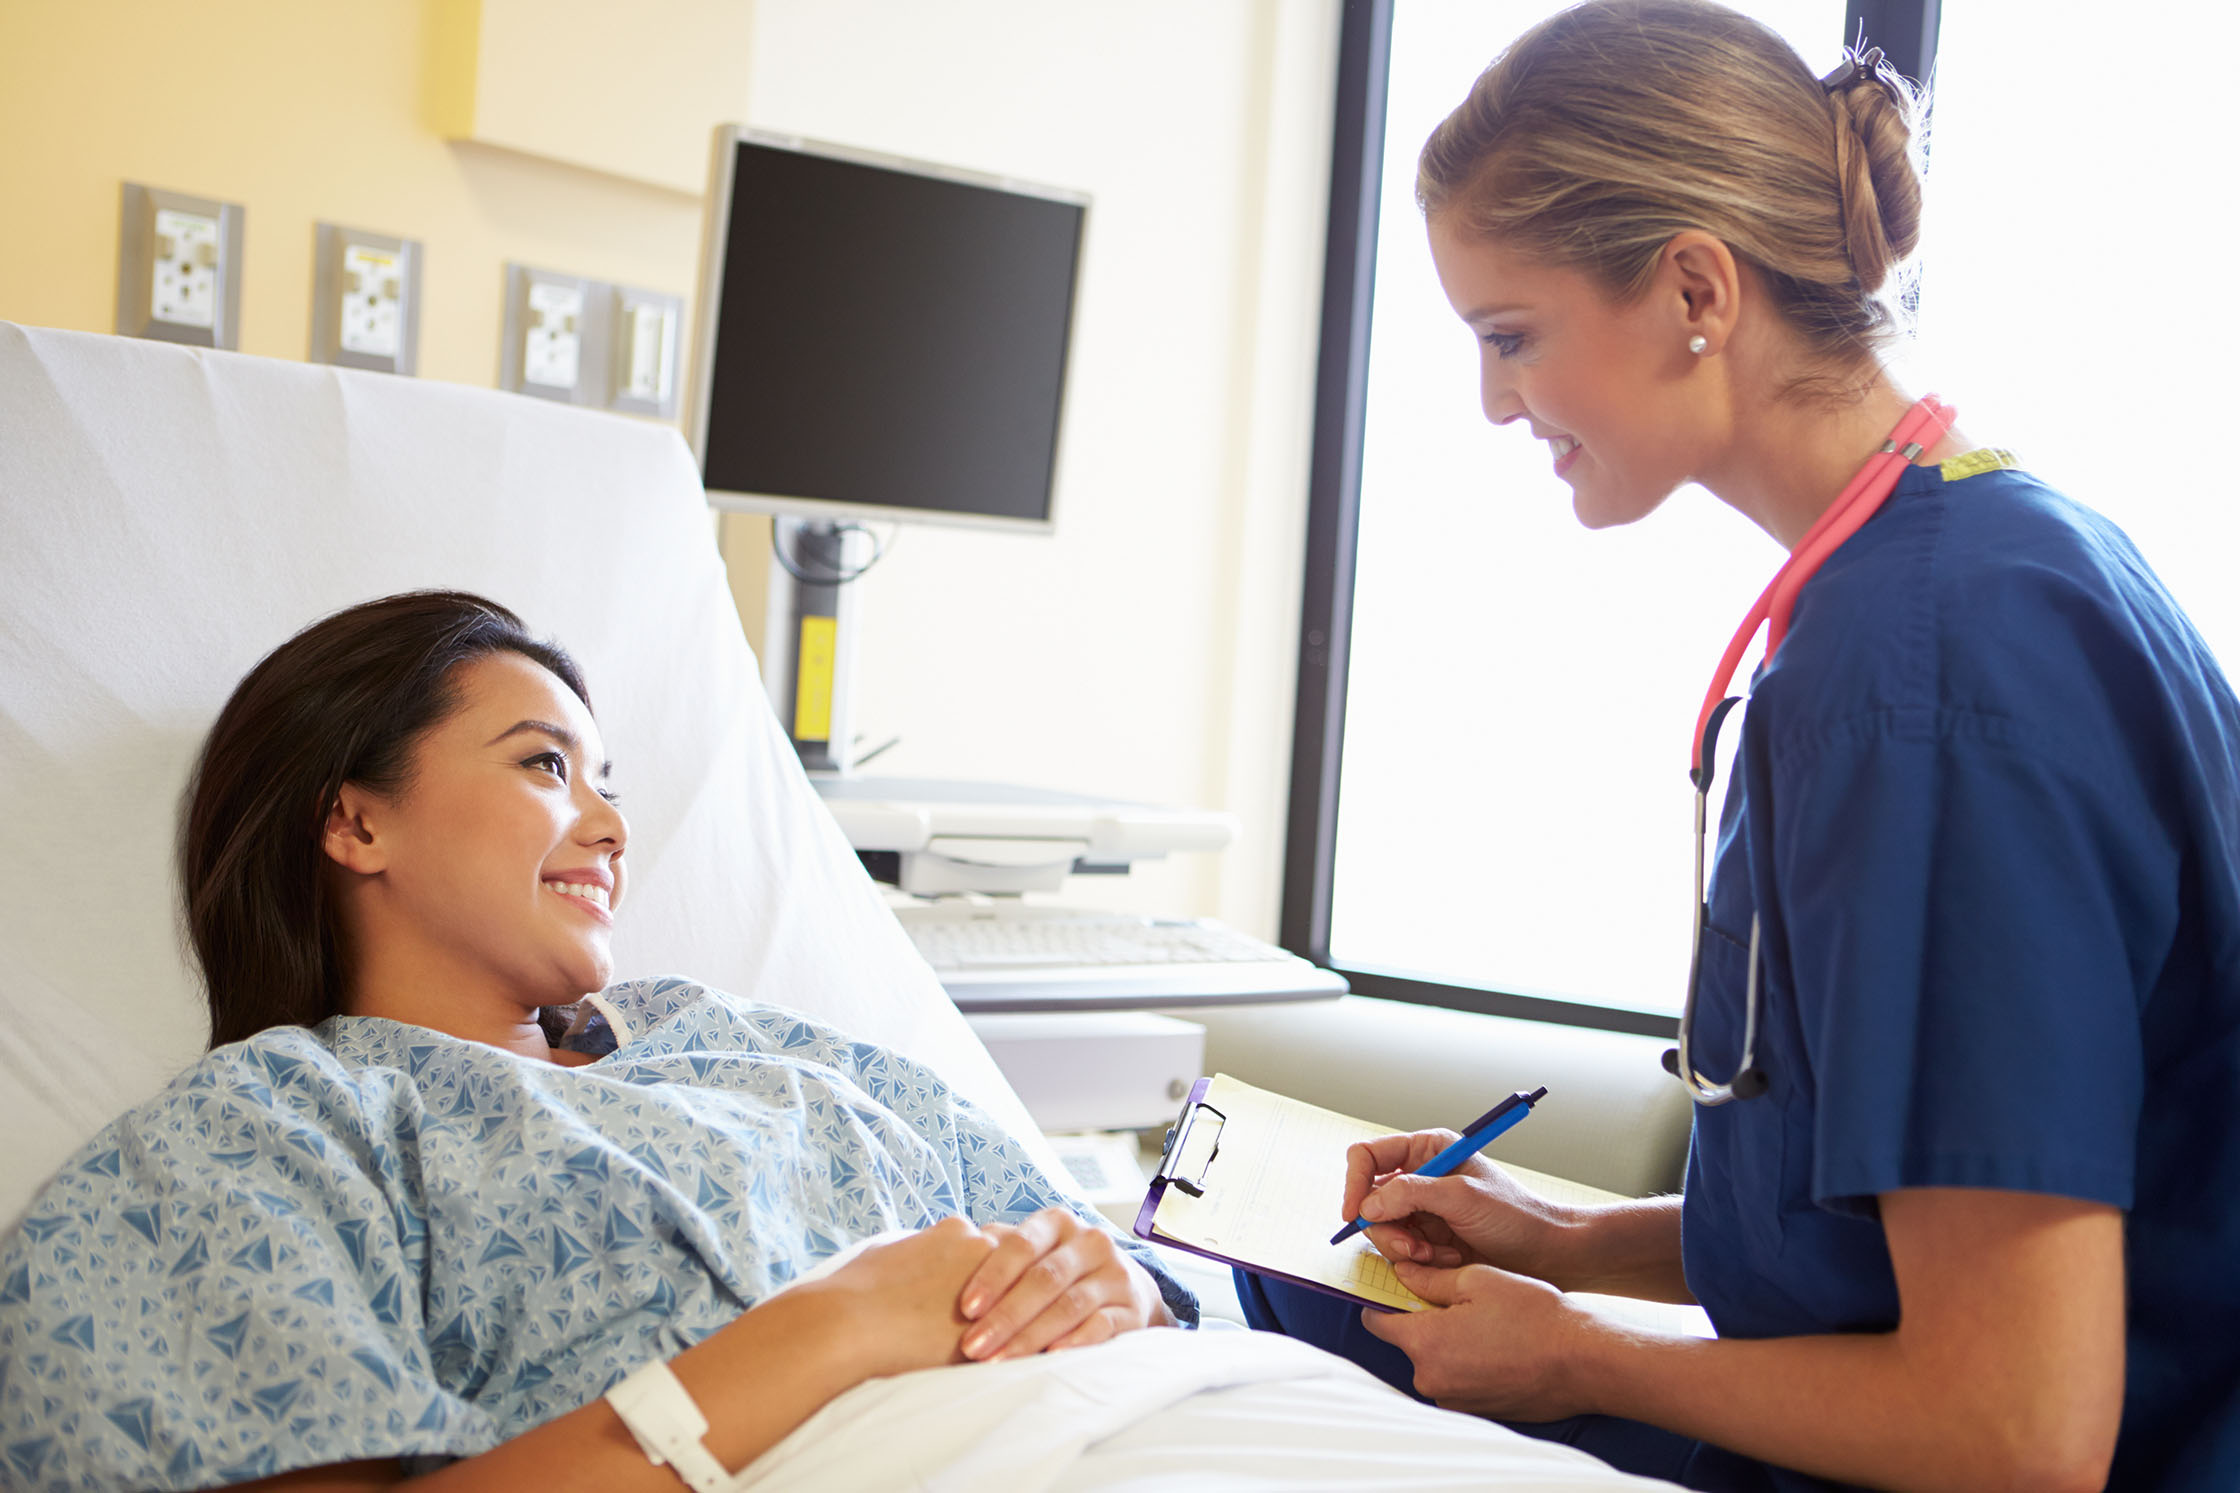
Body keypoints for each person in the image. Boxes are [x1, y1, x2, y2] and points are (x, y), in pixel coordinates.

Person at [1239, 3, 2240, 1490]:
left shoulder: (1928, 674)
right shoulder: (1975, 566)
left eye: (1511, 337)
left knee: (1264, 1336)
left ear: (1697, 285)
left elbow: (2020, 1425)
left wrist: (1575, 1348)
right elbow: (1894, 1244)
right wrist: (1572, 1242)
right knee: (1282, 1293)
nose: (1495, 402)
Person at [0, 590, 1193, 1490]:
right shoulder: (259, 1135)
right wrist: (837, 1324)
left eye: (608, 782)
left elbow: (1094, 1259)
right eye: (545, 764)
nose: (613, 824)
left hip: (1199, 1421)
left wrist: (1116, 1281)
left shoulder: (735, 1039)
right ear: (355, 819)